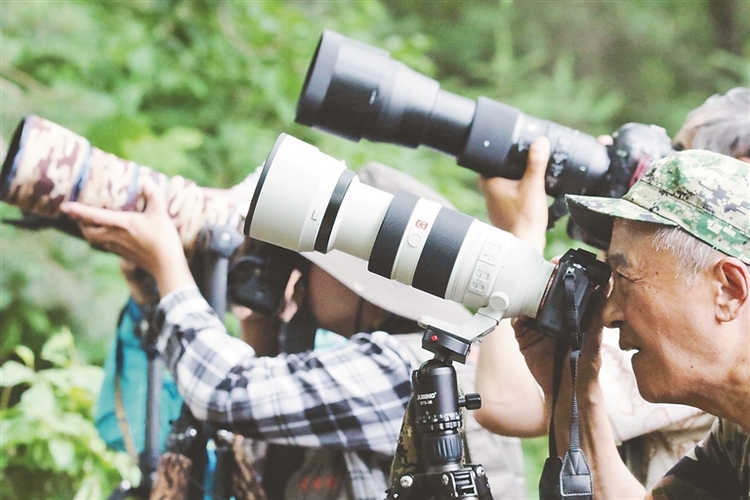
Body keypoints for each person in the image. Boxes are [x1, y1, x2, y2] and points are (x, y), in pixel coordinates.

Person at [62, 162, 527, 499]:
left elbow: (225, 394)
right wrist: (259, 330)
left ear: (370, 281)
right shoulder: (419, 360)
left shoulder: (409, 372)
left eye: (316, 261)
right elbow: (257, 457)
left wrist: (167, 266)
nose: (300, 273)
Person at [474, 87, 750, 488]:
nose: (606, 312)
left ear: (727, 290)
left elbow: (504, 405)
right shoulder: (738, 430)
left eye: (624, 277)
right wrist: (571, 386)